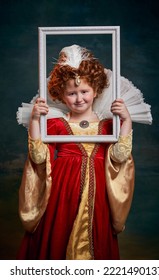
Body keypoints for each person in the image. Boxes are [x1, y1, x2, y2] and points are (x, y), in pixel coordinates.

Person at [17, 44, 135, 260]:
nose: (79, 98)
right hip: (63, 191)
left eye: (84, 91)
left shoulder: (109, 125)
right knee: (60, 233)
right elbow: (39, 157)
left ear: (96, 90)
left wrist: (126, 120)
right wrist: (35, 120)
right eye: (72, 93)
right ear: (61, 95)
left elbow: (119, 156)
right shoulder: (56, 125)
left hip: (99, 191)